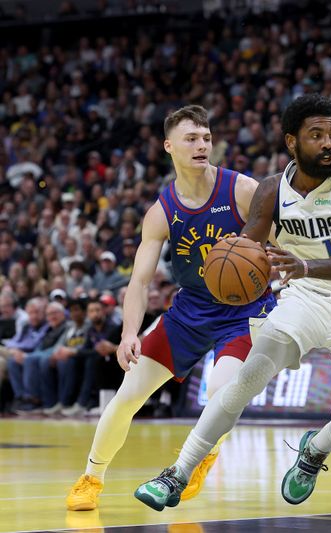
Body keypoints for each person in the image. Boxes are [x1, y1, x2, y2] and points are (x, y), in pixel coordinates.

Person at [134, 94, 331, 511]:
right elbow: (248, 247)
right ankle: (177, 473)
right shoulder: (272, 190)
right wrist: (227, 263)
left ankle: (314, 451)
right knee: (247, 379)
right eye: (316, 135)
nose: (327, 143)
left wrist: (305, 266)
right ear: (292, 141)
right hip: (304, 300)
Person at [66, 105, 276, 511]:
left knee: (221, 391)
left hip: (244, 313)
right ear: (169, 147)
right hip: (189, 312)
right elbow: (140, 282)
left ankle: (198, 459)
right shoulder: (161, 212)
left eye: (206, 137)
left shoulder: (243, 190)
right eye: (191, 138)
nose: (202, 145)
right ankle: (91, 477)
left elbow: (285, 242)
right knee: (127, 396)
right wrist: (129, 333)